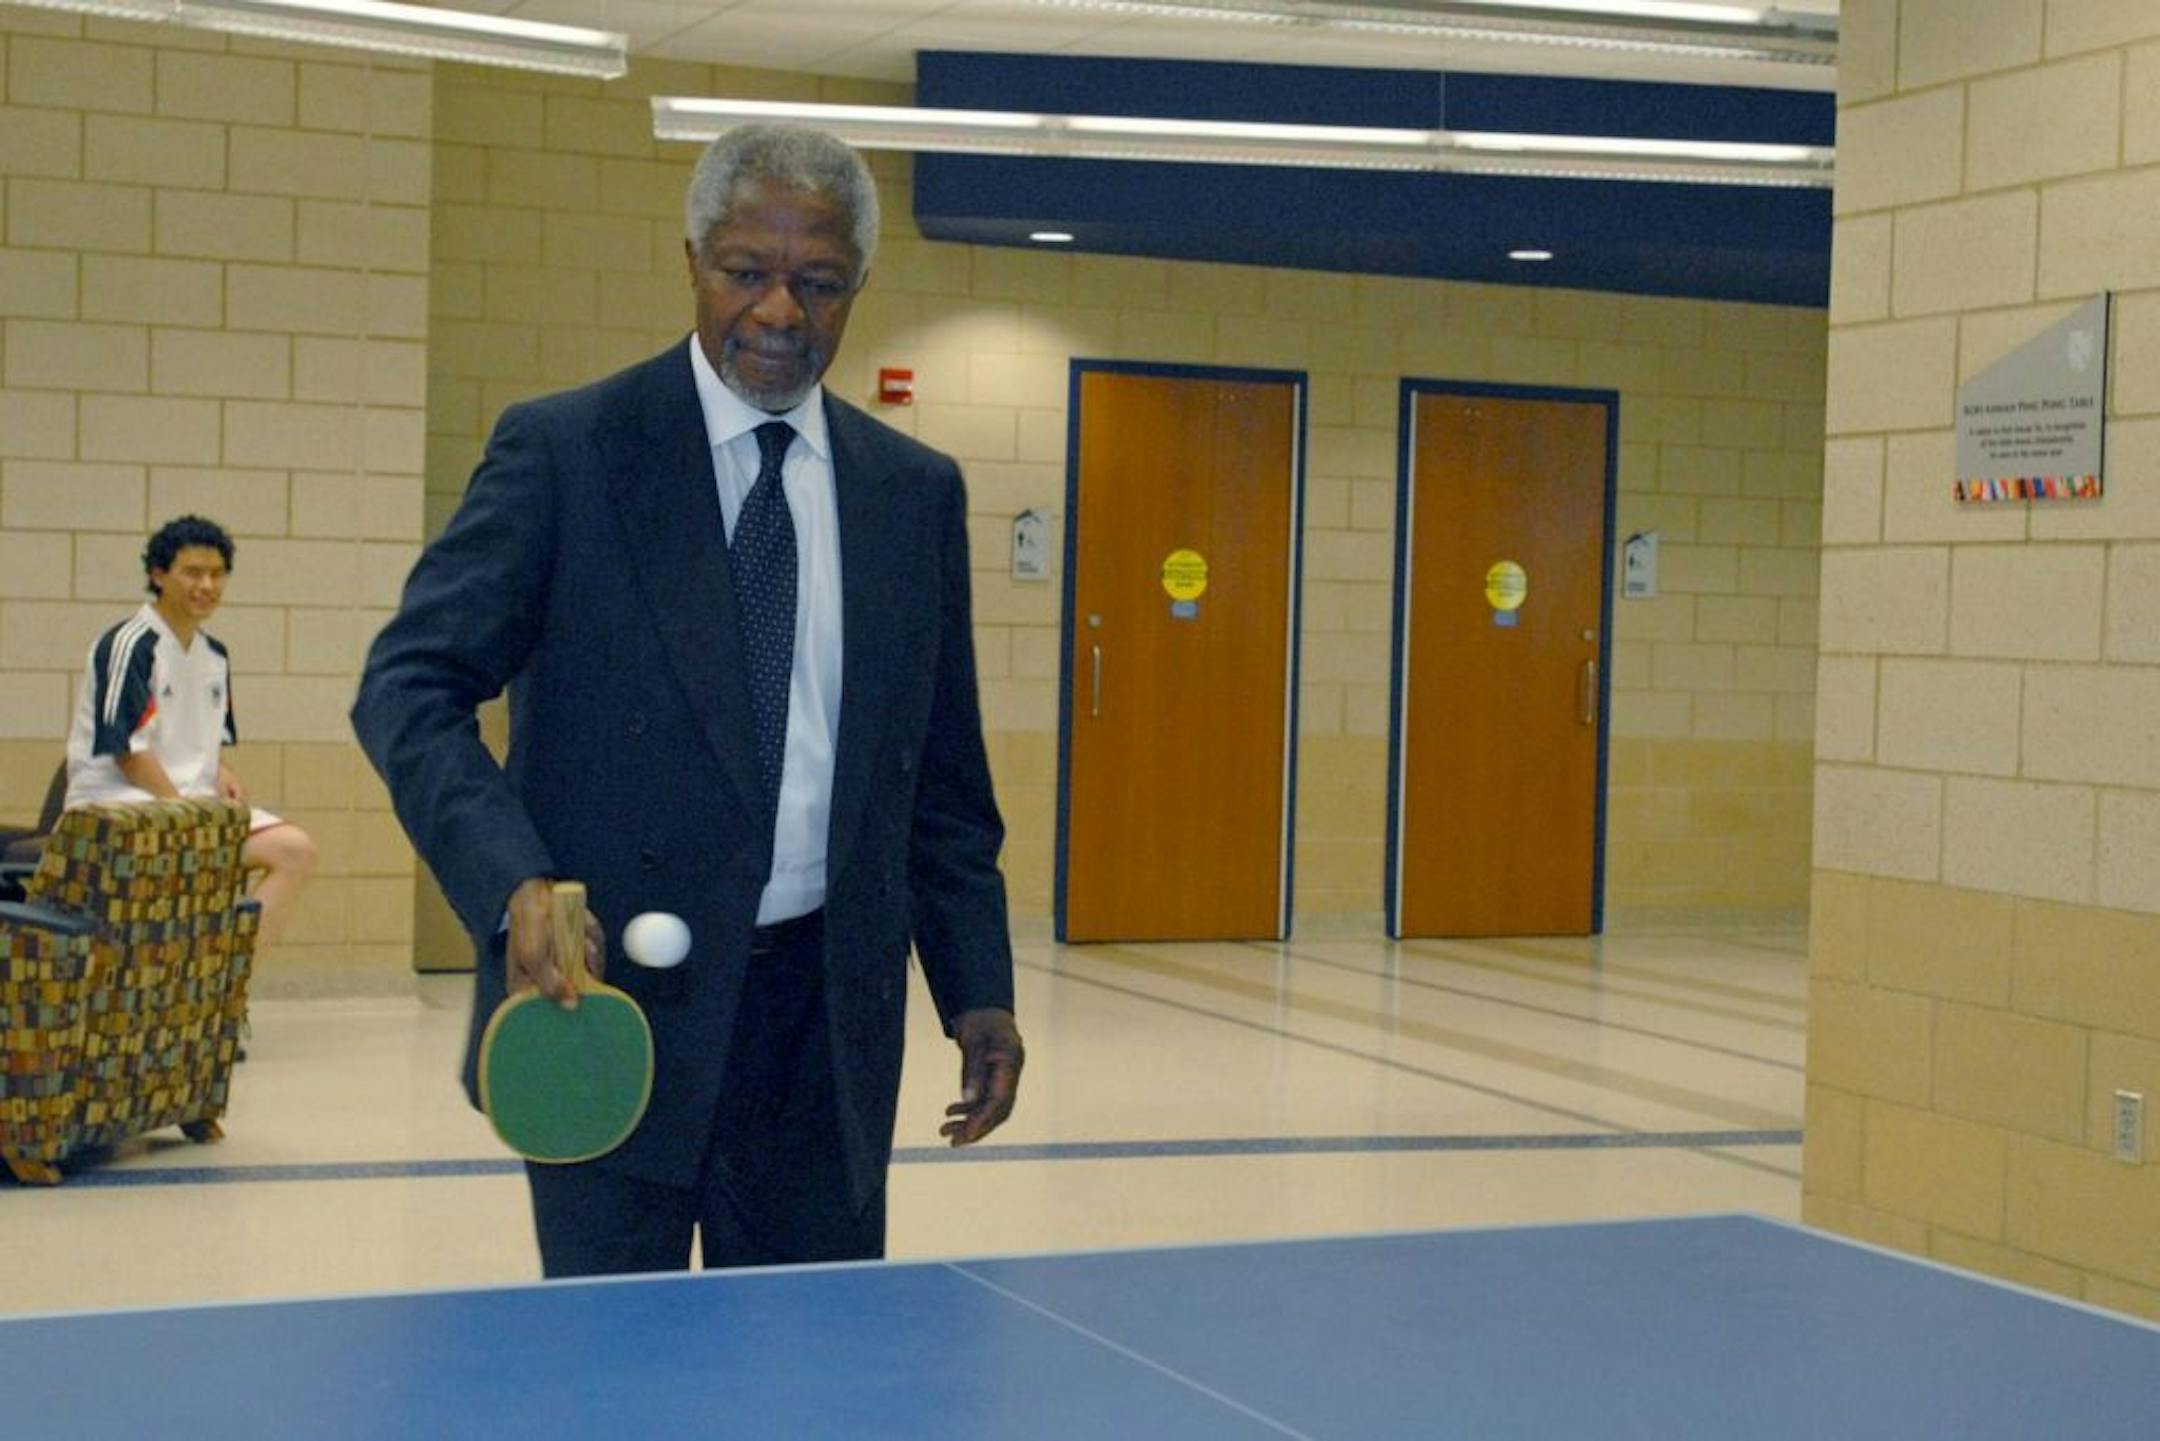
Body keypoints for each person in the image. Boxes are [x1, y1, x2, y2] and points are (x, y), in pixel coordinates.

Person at [352, 124, 1024, 1278]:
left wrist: (977, 987)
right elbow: (408, 686)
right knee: (619, 1360)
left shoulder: (911, 495)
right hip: (607, 1004)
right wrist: (511, 883)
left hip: (824, 1032)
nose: (780, 311)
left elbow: (942, 778)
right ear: (693, 262)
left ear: (858, 286)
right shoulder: (568, 452)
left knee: (810, 1358)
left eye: (819, 283)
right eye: (746, 271)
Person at [65, 514, 317, 955]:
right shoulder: (129, 644)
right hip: (117, 806)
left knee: (294, 851)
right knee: (184, 868)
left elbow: (202, 742)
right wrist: (185, 811)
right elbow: (127, 751)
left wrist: (220, 770)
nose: (206, 585)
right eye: (193, 573)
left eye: (217, 574)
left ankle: (228, 981)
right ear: (158, 575)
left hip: (187, 807)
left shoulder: (214, 656)